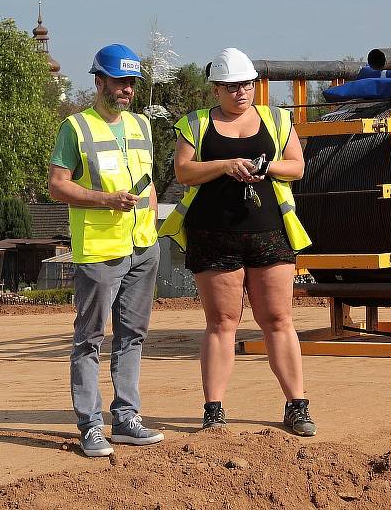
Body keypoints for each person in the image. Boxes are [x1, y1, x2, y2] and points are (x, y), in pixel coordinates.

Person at [158, 48, 316, 436]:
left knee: (278, 320)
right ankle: (214, 410)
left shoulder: (277, 120)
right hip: (213, 236)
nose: (240, 92)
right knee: (221, 323)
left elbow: (296, 166)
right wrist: (225, 166)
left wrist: (266, 167)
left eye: (246, 85)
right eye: (231, 87)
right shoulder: (195, 124)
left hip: (270, 234)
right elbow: (184, 170)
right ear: (216, 89)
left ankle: (297, 405)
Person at [48, 43, 163, 457]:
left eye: (131, 82)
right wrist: (105, 201)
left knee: (133, 336)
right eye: (119, 81)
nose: (127, 89)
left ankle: (127, 418)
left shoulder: (142, 125)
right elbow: (57, 185)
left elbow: (148, 181)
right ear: (100, 81)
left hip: (142, 247)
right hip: (99, 251)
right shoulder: (75, 127)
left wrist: (152, 224)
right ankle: (91, 425)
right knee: (90, 339)